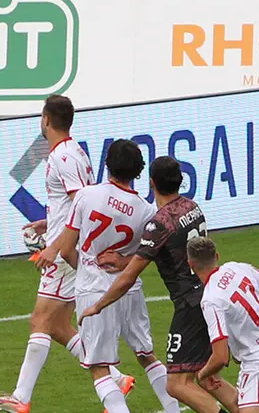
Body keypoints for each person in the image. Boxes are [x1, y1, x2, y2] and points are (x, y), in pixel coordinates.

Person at [0, 96, 133, 413]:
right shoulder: (72, 152)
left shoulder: (63, 157)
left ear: (46, 120)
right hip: (68, 244)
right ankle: (116, 379)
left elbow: (82, 204)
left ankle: (21, 398)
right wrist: (48, 222)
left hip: (67, 251)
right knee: (60, 327)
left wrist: (55, 245)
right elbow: (74, 204)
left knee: (40, 320)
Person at [79, 156, 238, 413]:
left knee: (176, 384)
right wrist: (127, 259)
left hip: (189, 304)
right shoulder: (192, 207)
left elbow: (129, 278)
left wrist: (98, 306)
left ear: (151, 183)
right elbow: (172, 251)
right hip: (209, 292)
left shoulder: (159, 223)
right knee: (205, 376)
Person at [35, 139, 180, 413]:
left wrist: (87, 268)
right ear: (138, 172)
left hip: (93, 289)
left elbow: (66, 250)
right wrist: (125, 261)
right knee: (146, 355)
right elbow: (150, 254)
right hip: (129, 287)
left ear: (107, 164)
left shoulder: (86, 196)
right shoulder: (146, 210)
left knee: (100, 368)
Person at [187, 236, 259, 413]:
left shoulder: (211, 299)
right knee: (239, 407)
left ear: (191, 265)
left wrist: (203, 374)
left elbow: (221, 357)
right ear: (217, 256)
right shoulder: (238, 267)